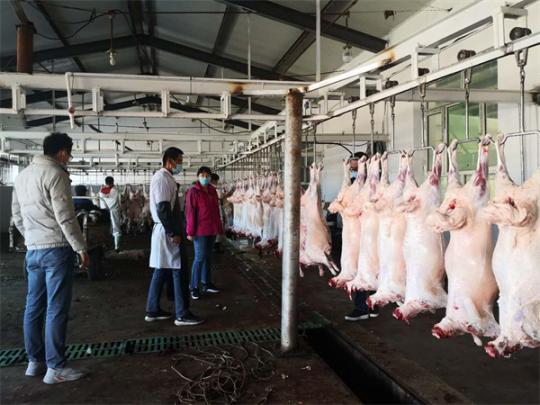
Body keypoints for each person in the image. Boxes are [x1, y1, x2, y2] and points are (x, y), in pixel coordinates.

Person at [11, 132, 90, 384]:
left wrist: (31, 238)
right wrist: (80, 247)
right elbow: (65, 216)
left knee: (33, 307)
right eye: (69, 154)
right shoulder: (56, 174)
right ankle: (55, 367)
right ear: (63, 152)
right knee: (56, 308)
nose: (69, 158)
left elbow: (16, 215)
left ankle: (35, 362)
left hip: (33, 250)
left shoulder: (22, 176)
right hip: (56, 249)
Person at [145, 147, 203, 326]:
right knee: (179, 271)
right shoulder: (162, 178)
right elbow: (163, 208)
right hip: (167, 231)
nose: (180, 165)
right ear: (170, 162)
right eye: (179, 161)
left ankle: (152, 310)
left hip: (164, 229)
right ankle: (182, 314)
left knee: (161, 269)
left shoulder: (166, 178)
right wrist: (173, 232)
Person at [344, 151, 379, 321]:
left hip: (363, 230)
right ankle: (373, 305)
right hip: (369, 230)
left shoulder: (365, 185)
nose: (351, 164)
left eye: (353, 162)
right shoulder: (371, 183)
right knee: (371, 266)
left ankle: (362, 308)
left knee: (362, 268)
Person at [186, 167, 223, 300]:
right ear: (198, 176)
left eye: (207, 175)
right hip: (200, 230)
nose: (205, 178)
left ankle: (206, 283)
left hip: (212, 228)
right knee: (199, 257)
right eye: (202, 175)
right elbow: (190, 212)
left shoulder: (212, 191)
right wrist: (190, 231)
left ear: (210, 177)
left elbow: (216, 211)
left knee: (208, 256)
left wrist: (219, 227)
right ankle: (194, 287)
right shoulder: (193, 191)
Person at [98, 176, 122, 251]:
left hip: (104, 211)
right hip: (114, 211)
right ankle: (117, 247)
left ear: (105, 182)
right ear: (113, 182)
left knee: (104, 228)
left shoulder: (102, 191)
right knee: (116, 227)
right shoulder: (116, 191)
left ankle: (104, 245)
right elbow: (119, 201)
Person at [210, 173, 225, 253]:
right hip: (216, 210)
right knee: (217, 228)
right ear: (214, 180)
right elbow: (221, 196)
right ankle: (216, 247)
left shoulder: (210, 188)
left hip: (214, 210)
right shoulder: (215, 189)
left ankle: (214, 246)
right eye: (216, 181)